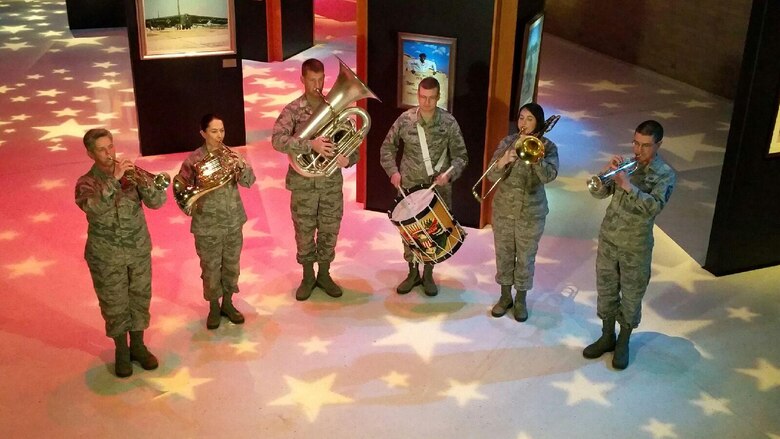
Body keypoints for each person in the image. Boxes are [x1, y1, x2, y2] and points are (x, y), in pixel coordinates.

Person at [583, 120, 676, 370]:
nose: (638, 150)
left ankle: (623, 341)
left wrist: (628, 186)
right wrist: (605, 174)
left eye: (645, 145)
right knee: (606, 290)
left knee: (632, 296)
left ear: (658, 145)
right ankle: (606, 336)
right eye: (636, 143)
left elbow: (653, 208)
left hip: (635, 246)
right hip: (609, 239)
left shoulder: (665, 174)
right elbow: (598, 193)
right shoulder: (626, 164)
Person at [75, 128, 166, 377]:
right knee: (114, 305)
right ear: (90, 153)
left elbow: (158, 203)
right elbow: (93, 209)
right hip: (106, 256)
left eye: (111, 146)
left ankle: (138, 346)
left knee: (139, 299)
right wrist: (114, 181)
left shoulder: (130, 174)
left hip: (137, 250)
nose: (108, 153)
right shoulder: (86, 182)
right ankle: (121, 351)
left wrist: (145, 183)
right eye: (102, 149)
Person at [272, 58, 358, 301]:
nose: (318, 85)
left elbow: (354, 147)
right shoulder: (292, 110)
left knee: (330, 229)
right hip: (303, 184)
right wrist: (309, 144)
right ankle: (308, 275)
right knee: (304, 230)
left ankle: (325, 274)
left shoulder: (335, 109)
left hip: (330, 183)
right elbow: (277, 140)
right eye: (312, 80)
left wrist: (347, 159)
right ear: (302, 79)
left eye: (321, 80)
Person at [380, 76, 468, 296]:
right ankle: (412, 272)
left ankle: (428, 273)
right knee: (409, 232)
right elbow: (386, 149)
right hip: (408, 186)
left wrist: (449, 175)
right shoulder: (405, 120)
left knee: (433, 232)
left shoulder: (449, 123)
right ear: (417, 95)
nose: (426, 102)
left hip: (437, 189)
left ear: (439, 97)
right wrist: (393, 172)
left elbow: (461, 157)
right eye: (422, 97)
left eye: (431, 98)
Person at [175, 114, 256, 330]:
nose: (219, 135)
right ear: (203, 133)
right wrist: (192, 204)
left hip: (232, 221)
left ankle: (228, 303)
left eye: (222, 130)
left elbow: (249, 182)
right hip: (207, 225)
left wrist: (243, 166)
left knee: (231, 266)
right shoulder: (193, 161)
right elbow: (180, 189)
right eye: (214, 131)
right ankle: (213, 306)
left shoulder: (230, 155)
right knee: (210, 268)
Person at [486, 103, 558, 322]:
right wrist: (503, 160)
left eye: (529, 119)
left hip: (531, 213)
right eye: (521, 118)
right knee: (504, 254)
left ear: (538, 122)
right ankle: (505, 296)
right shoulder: (508, 142)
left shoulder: (547, 147)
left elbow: (549, 176)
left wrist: (535, 158)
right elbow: (489, 177)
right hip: (504, 210)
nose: (523, 123)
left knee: (526, 258)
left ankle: (521, 300)